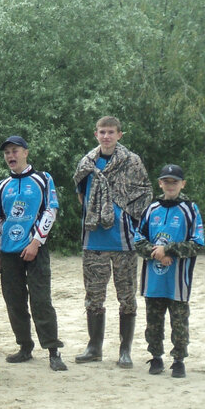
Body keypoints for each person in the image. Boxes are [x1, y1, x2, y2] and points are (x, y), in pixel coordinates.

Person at [72, 116, 152, 368]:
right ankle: (94, 347)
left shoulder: (132, 162)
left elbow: (145, 193)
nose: (106, 136)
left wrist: (128, 216)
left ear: (120, 135)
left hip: (124, 241)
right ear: (95, 134)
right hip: (94, 239)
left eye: (111, 132)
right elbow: (80, 194)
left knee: (126, 297)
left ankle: (124, 350)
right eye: (102, 132)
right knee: (94, 296)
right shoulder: (87, 163)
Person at [0, 135, 68, 372]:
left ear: (25, 152)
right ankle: (24, 346)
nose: (10, 156)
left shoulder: (43, 179)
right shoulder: (1, 185)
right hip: (9, 252)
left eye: (15, 151)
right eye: (7, 153)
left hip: (36, 249)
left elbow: (51, 210)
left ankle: (53, 350)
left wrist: (36, 242)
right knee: (14, 302)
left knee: (41, 300)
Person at [133, 165, 204, 378]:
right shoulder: (151, 208)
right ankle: (155, 357)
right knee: (153, 321)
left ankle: (179, 360)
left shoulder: (190, 209)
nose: (170, 185)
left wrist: (170, 250)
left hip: (178, 279)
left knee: (179, 321)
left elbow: (197, 242)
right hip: (153, 278)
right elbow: (138, 238)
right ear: (160, 183)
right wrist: (155, 253)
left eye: (175, 181)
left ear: (182, 184)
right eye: (166, 181)